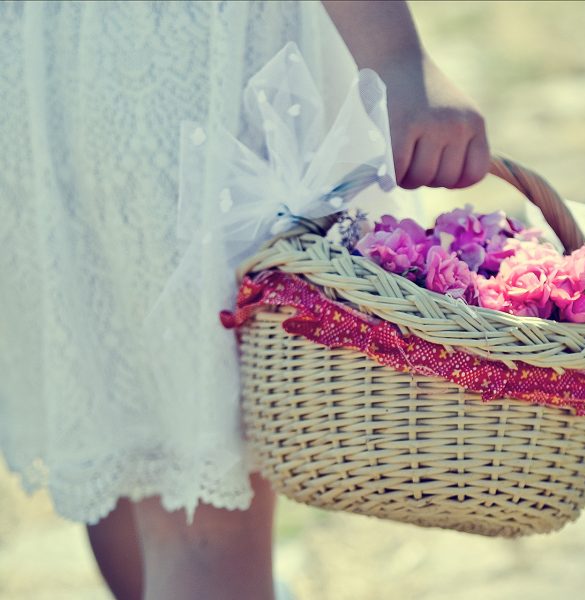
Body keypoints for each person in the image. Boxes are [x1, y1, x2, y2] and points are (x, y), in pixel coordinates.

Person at [0, 2, 489, 599]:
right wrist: (395, 58)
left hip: (38, 63)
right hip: (190, 64)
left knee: (137, 447)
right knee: (200, 522)